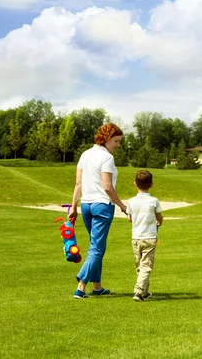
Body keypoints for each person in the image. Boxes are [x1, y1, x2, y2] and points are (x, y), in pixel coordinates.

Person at [68, 123, 127, 299]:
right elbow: (107, 186)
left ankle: (97, 286)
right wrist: (122, 206)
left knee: (96, 245)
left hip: (86, 205)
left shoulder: (85, 154)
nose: (117, 145)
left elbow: (78, 184)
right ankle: (81, 286)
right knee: (97, 248)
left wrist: (73, 207)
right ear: (107, 138)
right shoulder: (107, 158)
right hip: (102, 206)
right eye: (116, 141)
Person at [126, 170, 163, 302]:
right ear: (151, 184)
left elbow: (130, 218)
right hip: (150, 237)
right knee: (146, 266)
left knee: (140, 266)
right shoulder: (154, 201)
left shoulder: (131, 201)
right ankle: (138, 291)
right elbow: (159, 217)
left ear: (135, 184)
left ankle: (145, 292)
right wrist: (158, 222)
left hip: (136, 238)